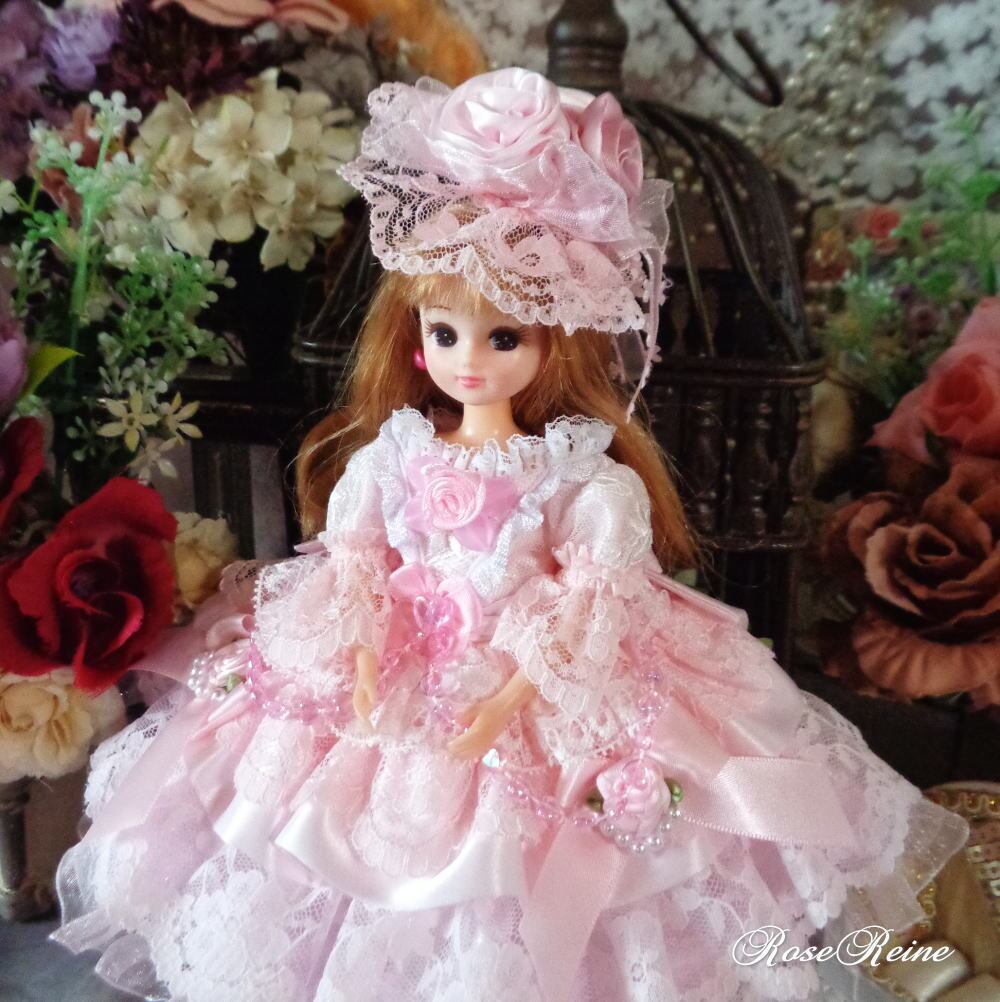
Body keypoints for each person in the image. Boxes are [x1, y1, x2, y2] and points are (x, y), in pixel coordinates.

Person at [52, 68, 968, 1002]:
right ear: (417, 341)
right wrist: (363, 667)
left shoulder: (578, 476)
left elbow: (584, 605)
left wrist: (503, 704)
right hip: (404, 669)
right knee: (336, 820)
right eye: (446, 334)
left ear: (548, 345)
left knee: (531, 846)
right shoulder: (394, 456)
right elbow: (357, 571)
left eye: (503, 338)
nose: (469, 360)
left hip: (528, 674)